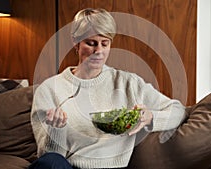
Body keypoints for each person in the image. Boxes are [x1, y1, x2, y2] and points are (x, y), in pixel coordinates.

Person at [30, 8, 186, 169]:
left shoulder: (128, 83)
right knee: (51, 162)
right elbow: (47, 156)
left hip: (112, 167)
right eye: (91, 43)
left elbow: (178, 110)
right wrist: (56, 130)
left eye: (105, 43)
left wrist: (150, 117)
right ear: (75, 42)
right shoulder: (49, 89)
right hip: (66, 167)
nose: (98, 51)